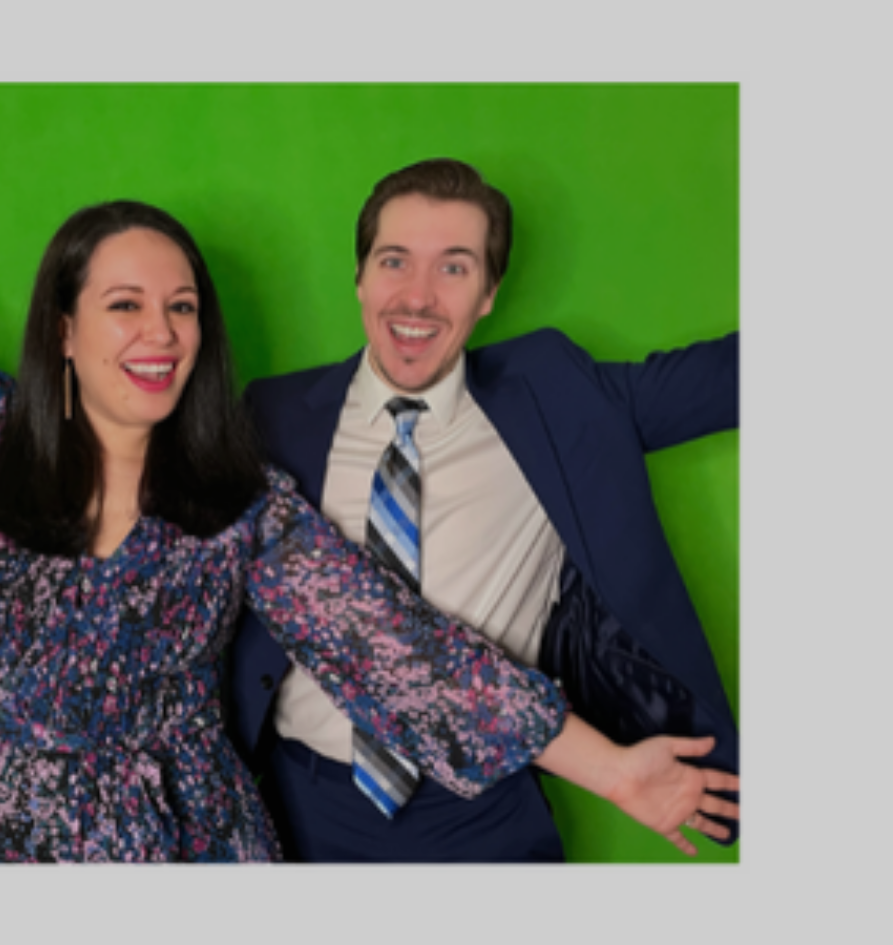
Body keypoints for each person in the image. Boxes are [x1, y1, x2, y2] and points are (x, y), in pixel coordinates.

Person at [0, 171, 737, 862]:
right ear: (63, 328)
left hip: (184, 842)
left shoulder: (243, 503)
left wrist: (617, 772)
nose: (159, 333)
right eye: (124, 304)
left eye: (182, 307)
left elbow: (400, 652)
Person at [227, 157, 741, 861]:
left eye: (454, 267)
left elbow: (730, 378)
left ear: (490, 292)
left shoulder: (558, 399)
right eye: (394, 261)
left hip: (485, 811)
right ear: (360, 276)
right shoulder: (273, 414)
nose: (417, 297)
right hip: (303, 803)